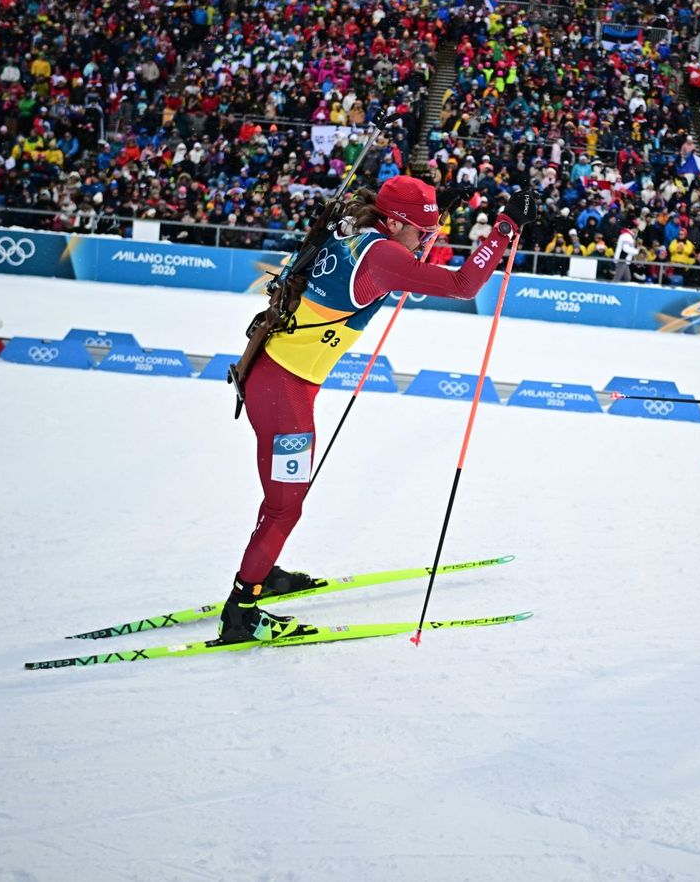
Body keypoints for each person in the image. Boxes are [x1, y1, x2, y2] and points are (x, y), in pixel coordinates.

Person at [221, 174, 530, 644]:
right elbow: (466, 284)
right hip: (282, 394)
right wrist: (504, 229)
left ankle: (264, 572)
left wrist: (433, 210)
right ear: (394, 223)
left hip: (279, 377)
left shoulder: (357, 226)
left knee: (282, 502)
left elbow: (398, 245)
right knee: (286, 509)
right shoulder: (382, 256)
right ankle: (242, 608)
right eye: (422, 234)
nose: (426, 242)